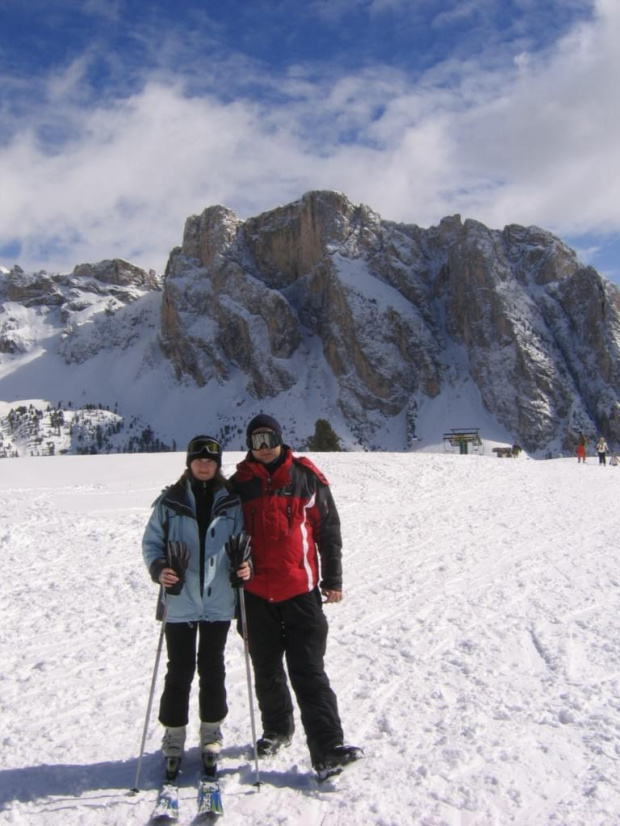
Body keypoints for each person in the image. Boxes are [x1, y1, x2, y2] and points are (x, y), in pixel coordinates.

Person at [229, 414, 362, 780]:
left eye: (269, 437)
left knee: (308, 669)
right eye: (257, 440)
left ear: (281, 438)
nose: (265, 446)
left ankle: (328, 748)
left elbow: (328, 530)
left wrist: (332, 578)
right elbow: (222, 537)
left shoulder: (305, 478)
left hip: (300, 593)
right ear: (249, 445)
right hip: (255, 595)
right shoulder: (238, 485)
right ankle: (277, 730)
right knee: (267, 669)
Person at [142, 435, 251, 782]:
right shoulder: (170, 501)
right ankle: (173, 737)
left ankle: (211, 734)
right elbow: (151, 542)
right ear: (189, 462)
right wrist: (160, 568)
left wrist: (245, 566)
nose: (204, 465)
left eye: (211, 460)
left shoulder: (232, 502)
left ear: (218, 465)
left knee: (213, 668)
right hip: (180, 600)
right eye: (198, 459)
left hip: (218, 601)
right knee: (179, 671)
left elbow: (245, 543)